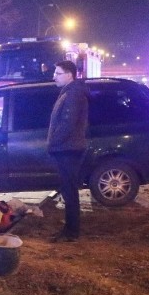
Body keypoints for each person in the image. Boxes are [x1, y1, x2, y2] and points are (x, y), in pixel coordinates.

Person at [46, 60, 89, 242]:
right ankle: (70, 229)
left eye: (58, 73)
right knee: (68, 189)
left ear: (70, 75)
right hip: (67, 148)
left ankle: (71, 232)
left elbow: (67, 124)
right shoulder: (70, 92)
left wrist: (52, 143)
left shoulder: (73, 94)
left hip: (68, 149)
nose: (54, 76)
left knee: (70, 191)